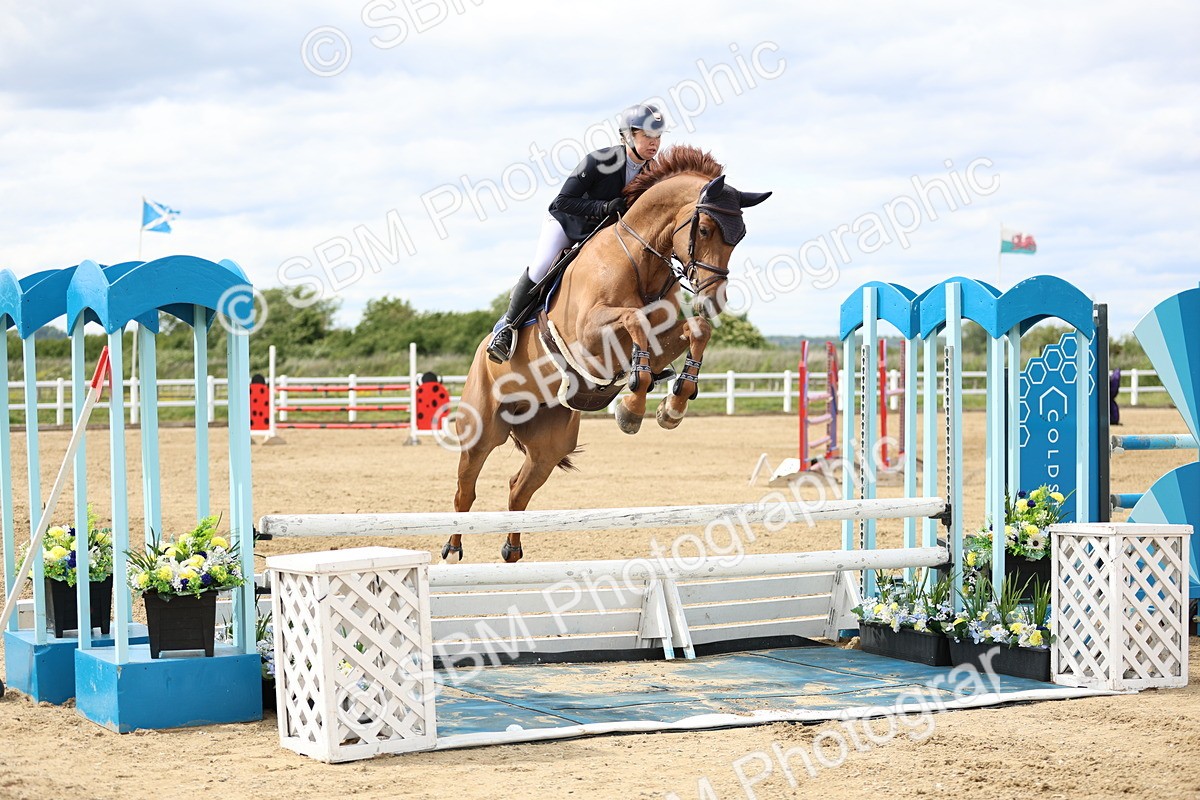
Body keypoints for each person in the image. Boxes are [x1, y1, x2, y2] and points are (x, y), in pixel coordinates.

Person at [486, 103, 667, 363]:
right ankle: (506, 328)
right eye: (648, 135)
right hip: (566, 223)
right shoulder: (601, 160)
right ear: (629, 135)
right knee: (541, 267)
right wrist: (603, 206)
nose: (655, 143)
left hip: (601, 236)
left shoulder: (653, 173)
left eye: (658, 136)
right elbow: (562, 201)